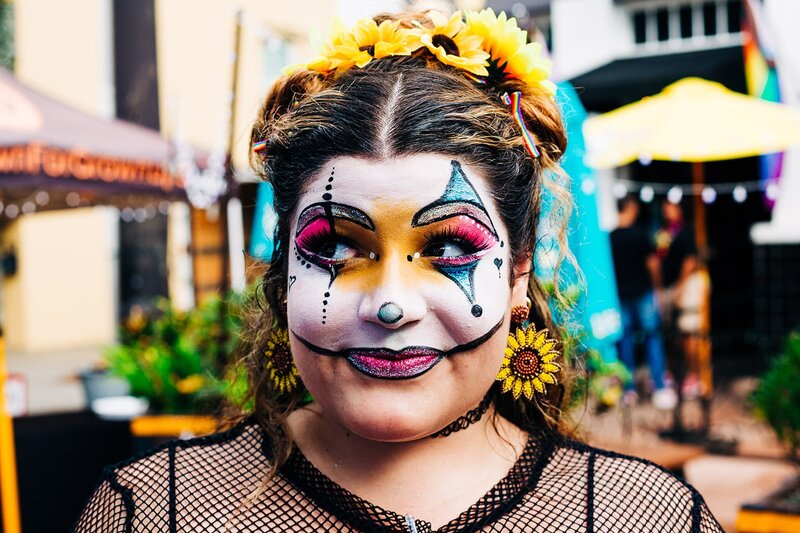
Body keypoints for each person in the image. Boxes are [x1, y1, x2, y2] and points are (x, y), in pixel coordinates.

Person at [74, 9, 722, 532]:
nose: (390, 304)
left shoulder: (649, 517)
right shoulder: (153, 512)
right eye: (335, 249)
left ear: (518, 274)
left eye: (448, 251)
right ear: (281, 274)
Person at [610, 195, 676, 410]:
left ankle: (628, 389)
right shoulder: (640, 235)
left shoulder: (610, 238)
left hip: (620, 295)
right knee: (653, 338)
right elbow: (653, 265)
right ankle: (658, 386)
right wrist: (657, 288)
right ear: (631, 208)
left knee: (625, 341)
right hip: (642, 294)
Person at [655, 200, 703, 398]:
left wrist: (680, 287)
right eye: (664, 206)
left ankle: (693, 375)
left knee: (689, 331)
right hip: (667, 287)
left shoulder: (687, 231)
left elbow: (690, 260)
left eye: (670, 206)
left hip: (684, 287)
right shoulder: (663, 232)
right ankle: (674, 373)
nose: (666, 210)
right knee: (669, 332)